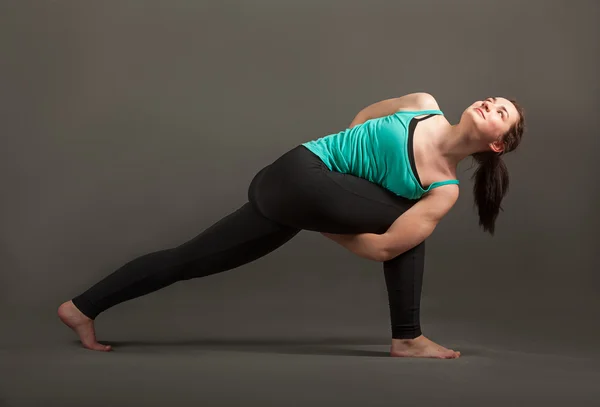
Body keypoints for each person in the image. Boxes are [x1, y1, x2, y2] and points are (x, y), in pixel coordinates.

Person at [58, 92, 525, 359]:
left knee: (190, 259)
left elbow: (386, 249)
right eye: (492, 98)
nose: (490, 103)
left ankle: (83, 307)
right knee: (405, 225)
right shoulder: (422, 104)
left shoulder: (444, 187)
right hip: (298, 175)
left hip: (291, 204)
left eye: (501, 112)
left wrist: (324, 219)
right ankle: (408, 336)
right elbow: (360, 120)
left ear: (498, 146)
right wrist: (328, 216)